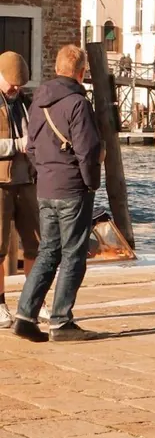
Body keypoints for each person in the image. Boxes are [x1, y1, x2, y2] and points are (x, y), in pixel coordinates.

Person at [12, 45, 103, 344]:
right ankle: (61, 321)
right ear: (81, 72)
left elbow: (32, 147)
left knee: (48, 251)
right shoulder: (78, 103)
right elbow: (88, 150)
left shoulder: (38, 100)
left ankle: (25, 315)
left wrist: (44, 173)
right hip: (72, 187)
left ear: (57, 68)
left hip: (46, 187)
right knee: (73, 254)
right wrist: (91, 183)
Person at [0, 52, 40, 329]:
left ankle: (34, 301)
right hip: (0, 184)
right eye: (12, 83)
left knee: (37, 245)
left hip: (27, 182)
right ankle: (0, 304)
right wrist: (17, 145)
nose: (16, 88)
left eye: (20, 84)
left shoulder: (26, 102)